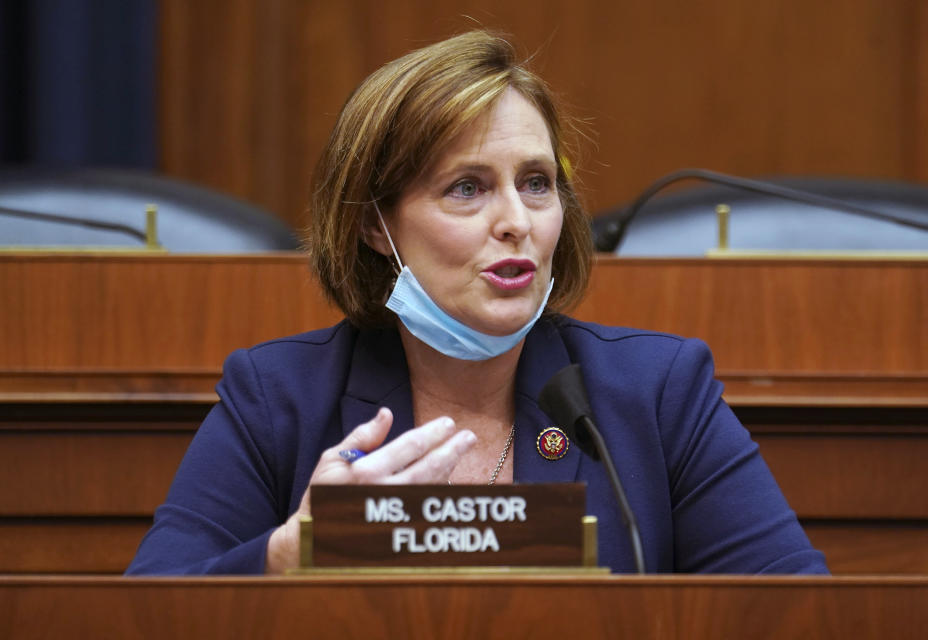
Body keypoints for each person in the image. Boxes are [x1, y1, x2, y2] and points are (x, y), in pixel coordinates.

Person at [126, 30, 827, 575]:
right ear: (376, 224)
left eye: (536, 182)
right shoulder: (279, 399)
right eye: (467, 187)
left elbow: (795, 613)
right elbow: (148, 615)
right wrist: (285, 557)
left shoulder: (654, 393)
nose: (516, 220)